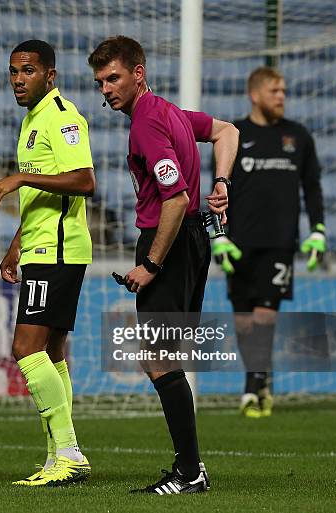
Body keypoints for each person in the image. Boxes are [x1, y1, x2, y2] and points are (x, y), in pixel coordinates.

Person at [89, 36, 239, 494]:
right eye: (100, 82)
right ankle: (190, 469)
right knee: (165, 357)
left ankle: (190, 472)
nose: (106, 89)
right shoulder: (171, 112)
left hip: (168, 241)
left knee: (158, 360)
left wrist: (151, 264)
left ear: (138, 72)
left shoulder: (147, 123)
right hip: (194, 240)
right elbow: (227, 131)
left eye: (113, 78)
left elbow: (174, 198)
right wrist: (222, 181)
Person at [0, 40, 95, 487]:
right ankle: (58, 456)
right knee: (51, 351)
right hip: (41, 247)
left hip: (59, 252)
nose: (17, 80)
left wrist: (19, 176)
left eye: (27, 71)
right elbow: (43, 199)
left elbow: (84, 180)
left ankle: (69, 450)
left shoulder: (63, 117)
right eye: (13, 72)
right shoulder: (32, 121)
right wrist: (17, 244)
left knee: (25, 349)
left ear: (49, 75)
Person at [212, 66, 325, 418]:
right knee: (244, 320)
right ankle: (260, 377)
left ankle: (252, 387)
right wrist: (218, 236)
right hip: (238, 243)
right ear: (255, 94)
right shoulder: (233, 134)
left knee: (265, 316)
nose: (282, 97)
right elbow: (217, 189)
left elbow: (313, 187)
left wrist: (318, 229)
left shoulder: (299, 137)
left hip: (280, 243)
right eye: (275, 91)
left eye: (284, 91)